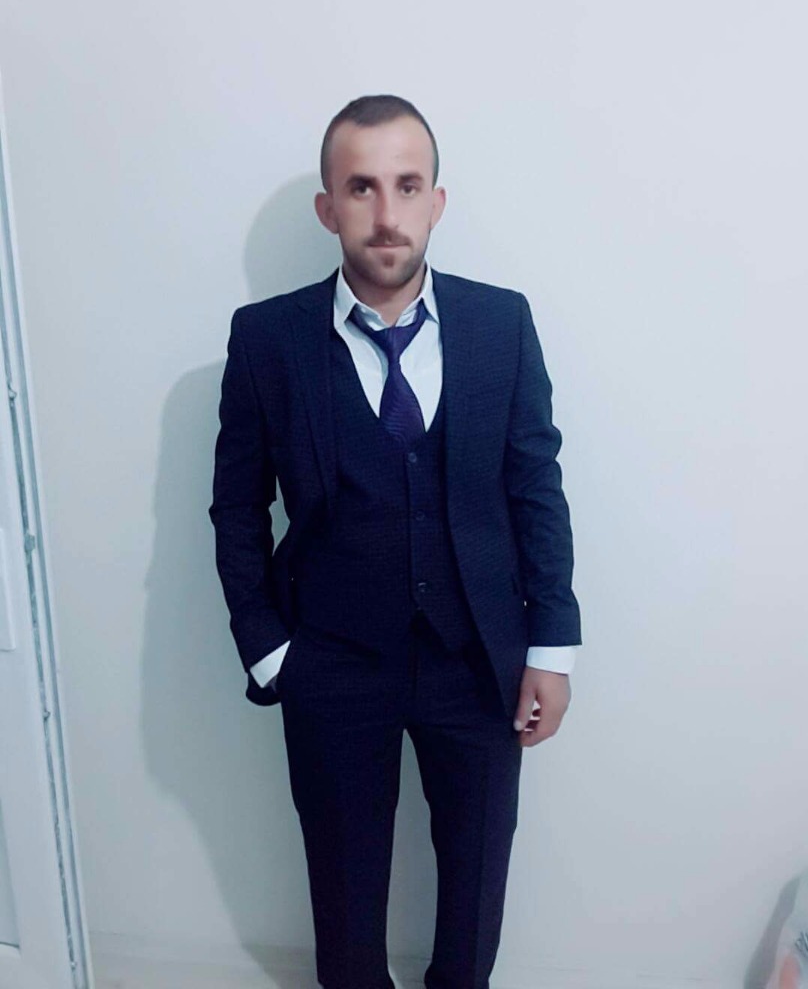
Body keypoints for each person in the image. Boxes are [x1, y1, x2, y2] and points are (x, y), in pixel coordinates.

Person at [209, 95, 581, 989]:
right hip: (330, 661)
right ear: (328, 207)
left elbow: (536, 487)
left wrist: (551, 647)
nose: (387, 214)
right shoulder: (267, 340)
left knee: (476, 891)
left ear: (437, 201)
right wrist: (269, 651)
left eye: (408, 186)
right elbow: (235, 508)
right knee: (344, 904)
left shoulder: (501, 324)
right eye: (362, 188)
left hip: (479, 657)